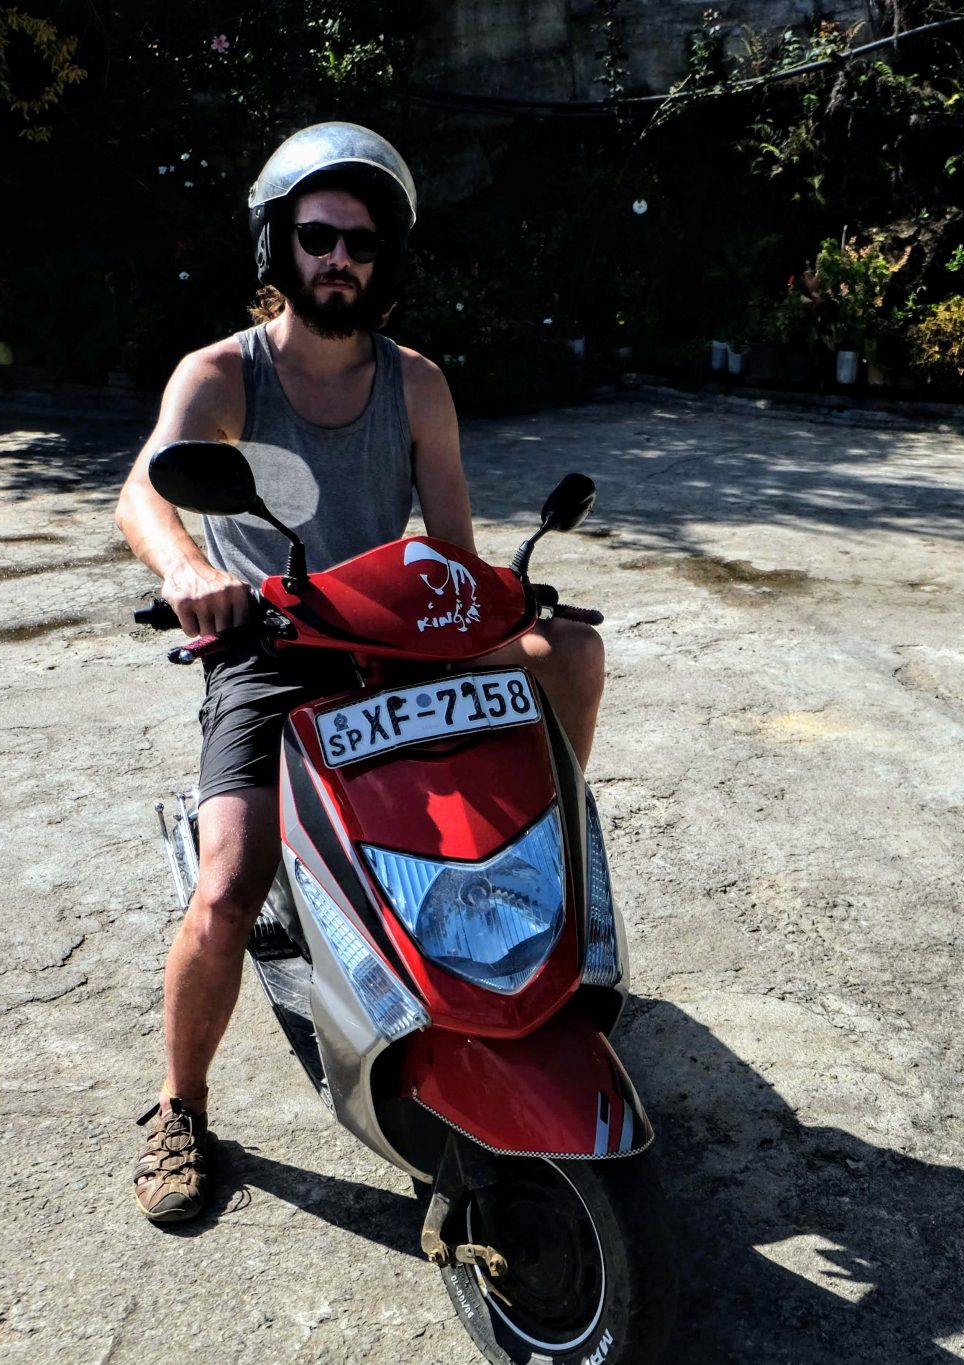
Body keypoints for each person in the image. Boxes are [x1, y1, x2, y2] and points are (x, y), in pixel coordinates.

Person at [112, 122, 605, 1224]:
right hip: (269, 655)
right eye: (318, 237)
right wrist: (192, 568)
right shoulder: (225, 375)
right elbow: (142, 491)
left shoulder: (416, 384)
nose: (340, 259)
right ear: (278, 247)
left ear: (387, 262)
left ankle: (528, 919)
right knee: (231, 884)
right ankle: (178, 1107)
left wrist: (504, 600)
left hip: (391, 639)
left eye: (362, 244)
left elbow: (449, 545)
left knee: (566, 652)